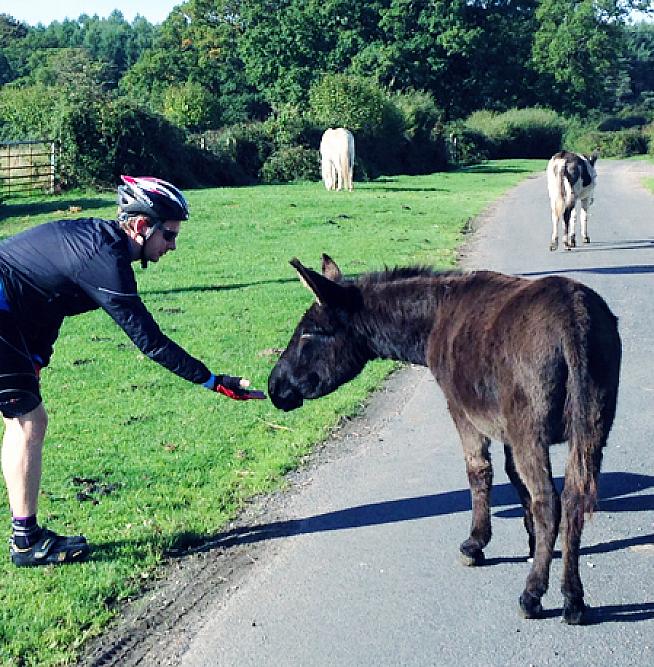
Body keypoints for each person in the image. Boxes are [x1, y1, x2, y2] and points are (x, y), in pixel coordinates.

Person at [0, 175, 266, 567]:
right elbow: (151, 342)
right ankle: (26, 542)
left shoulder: (99, 245)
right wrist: (213, 381)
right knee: (27, 423)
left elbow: (50, 300)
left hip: (12, 317)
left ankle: (26, 536)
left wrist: (36, 357)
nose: (173, 246)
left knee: (25, 421)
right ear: (141, 226)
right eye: (170, 235)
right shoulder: (105, 261)